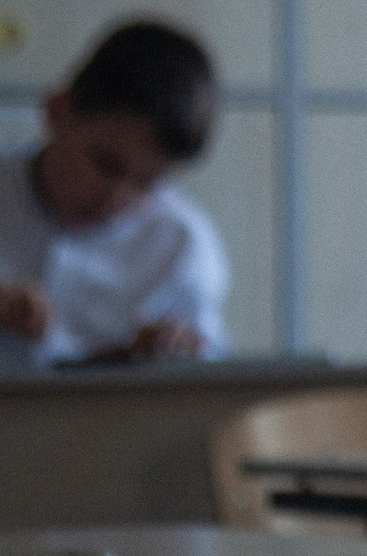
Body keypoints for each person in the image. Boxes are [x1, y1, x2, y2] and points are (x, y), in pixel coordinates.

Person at [0, 19, 227, 371]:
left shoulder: (184, 247)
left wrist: (163, 365)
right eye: (105, 164)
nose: (115, 197)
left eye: (148, 182)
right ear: (57, 110)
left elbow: (204, 388)